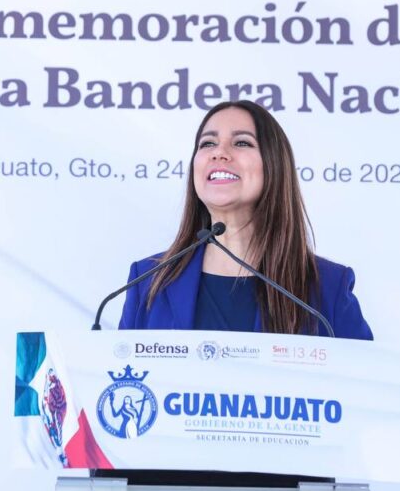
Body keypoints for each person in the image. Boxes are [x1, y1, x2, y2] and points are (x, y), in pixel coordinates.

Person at [118, 100, 373, 339]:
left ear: (274, 165)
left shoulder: (328, 287)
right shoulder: (148, 280)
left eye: (241, 143)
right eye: (207, 144)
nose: (219, 152)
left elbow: (364, 382)